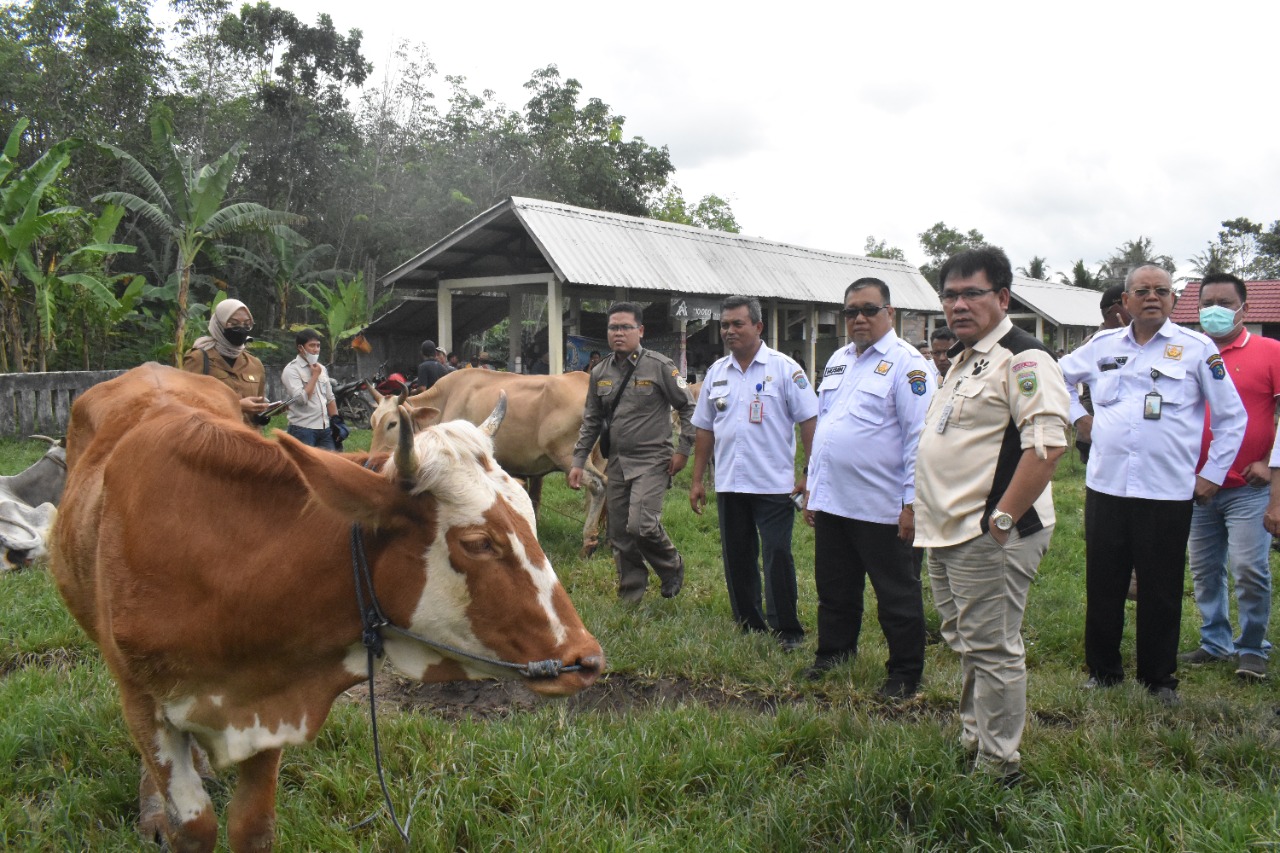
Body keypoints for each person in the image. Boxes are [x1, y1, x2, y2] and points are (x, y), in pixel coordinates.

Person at [915, 246, 1070, 783]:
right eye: (950, 295)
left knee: (994, 646)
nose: (958, 305)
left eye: (971, 294)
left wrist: (1001, 522)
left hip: (990, 532)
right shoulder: (963, 358)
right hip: (946, 529)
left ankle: (1000, 765)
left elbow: (1046, 448)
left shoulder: (1024, 358)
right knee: (966, 641)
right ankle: (974, 736)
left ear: (1002, 297)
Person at [1060, 264, 1246, 703]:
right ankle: (1103, 671)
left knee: (1161, 587)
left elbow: (1232, 418)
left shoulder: (1198, 349)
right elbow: (1057, 380)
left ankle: (1159, 680)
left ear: (1173, 300)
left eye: (1161, 291)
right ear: (1125, 301)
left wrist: (1211, 475)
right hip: (1106, 486)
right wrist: (1079, 418)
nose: (1151, 297)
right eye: (1141, 291)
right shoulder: (1102, 345)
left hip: (1166, 491)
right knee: (1103, 583)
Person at [801, 279, 932, 696]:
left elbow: (920, 439)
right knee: (835, 590)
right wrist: (814, 490)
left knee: (897, 596)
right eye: (850, 311)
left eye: (869, 310)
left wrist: (912, 504)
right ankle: (834, 654)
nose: (859, 318)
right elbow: (826, 428)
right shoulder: (839, 359)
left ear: (890, 314)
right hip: (835, 503)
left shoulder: (908, 365)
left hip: (883, 507)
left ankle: (905, 672)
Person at [689, 295, 817, 650]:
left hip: (774, 483)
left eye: (737, 324)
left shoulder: (785, 369)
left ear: (758, 327)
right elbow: (704, 428)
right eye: (725, 325)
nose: (729, 331)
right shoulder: (716, 372)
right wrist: (698, 480)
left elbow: (809, 421)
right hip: (730, 482)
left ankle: (787, 629)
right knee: (737, 555)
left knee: (778, 553)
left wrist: (809, 472)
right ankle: (749, 622)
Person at [1181, 272, 1280, 679]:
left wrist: (1270, 470)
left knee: (1249, 568)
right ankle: (1215, 640)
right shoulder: (1187, 353)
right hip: (1197, 485)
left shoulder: (1271, 351)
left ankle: (1253, 645)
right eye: (1207, 304)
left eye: (1224, 302)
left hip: (1249, 487)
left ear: (1245, 308)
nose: (1214, 311)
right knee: (1204, 571)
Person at [568, 302, 695, 602]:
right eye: (613, 328)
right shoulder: (600, 372)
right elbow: (591, 421)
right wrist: (578, 461)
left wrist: (683, 450)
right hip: (618, 462)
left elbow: (688, 407)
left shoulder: (660, 366)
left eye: (625, 327)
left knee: (641, 525)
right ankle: (631, 592)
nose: (618, 333)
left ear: (640, 331)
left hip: (653, 460)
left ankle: (671, 564)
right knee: (620, 533)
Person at [182, 299, 270, 427]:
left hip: (248, 440)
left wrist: (267, 410)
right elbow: (185, 403)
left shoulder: (255, 364)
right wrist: (237, 406)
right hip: (213, 439)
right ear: (219, 324)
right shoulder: (198, 358)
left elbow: (258, 405)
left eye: (246, 324)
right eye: (234, 324)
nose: (241, 329)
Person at [1075, 284, 1132, 465]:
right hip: (1096, 428)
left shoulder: (1133, 339)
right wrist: (1079, 418)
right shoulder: (1094, 344)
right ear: (1116, 310)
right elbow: (1061, 378)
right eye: (1127, 303)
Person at [282, 328, 339, 449]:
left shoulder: (321, 368)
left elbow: (330, 398)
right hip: (302, 429)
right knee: (306, 467)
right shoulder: (292, 370)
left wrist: (337, 422)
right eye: (312, 346)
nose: (316, 350)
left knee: (331, 465)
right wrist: (314, 376)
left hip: (324, 428)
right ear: (300, 348)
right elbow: (301, 399)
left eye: (318, 346)